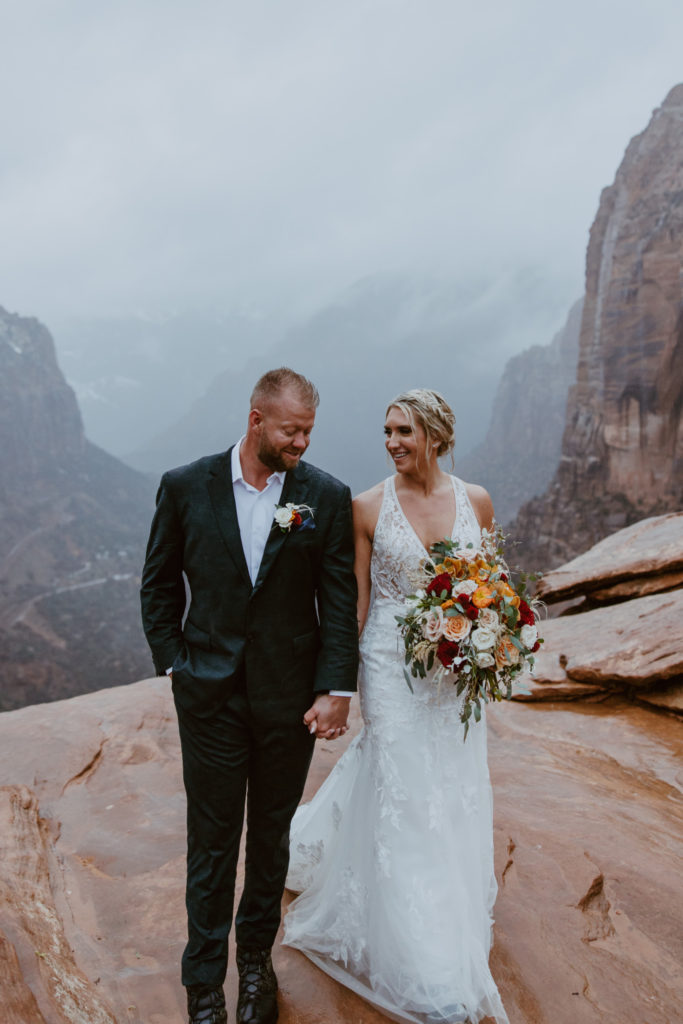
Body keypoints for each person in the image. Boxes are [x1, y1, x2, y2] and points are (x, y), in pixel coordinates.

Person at [283, 388, 509, 1024]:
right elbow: (354, 604)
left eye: (404, 431)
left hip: (453, 674)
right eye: (387, 431)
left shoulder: (479, 502)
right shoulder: (367, 507)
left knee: (454, 784)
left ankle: (451, 895)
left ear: (435, 435)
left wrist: (491, 645)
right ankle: (427, 966)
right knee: (406, 793)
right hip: (391, 668)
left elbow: (491, 587)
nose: (392, 442)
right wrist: (339, 686)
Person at [140, 368, 359, 1024]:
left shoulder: (325, 495)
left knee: (270, 841)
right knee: (210, 843)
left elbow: (339, 602)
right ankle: (203, 988)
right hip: (207, 698)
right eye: (291, 431)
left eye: (309, 432)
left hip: (287, 702)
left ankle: (256, 971)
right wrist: (174, 666)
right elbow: (157, 585)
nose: (301, 444)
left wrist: (335, 689)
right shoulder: (185, 486)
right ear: (256, 420)